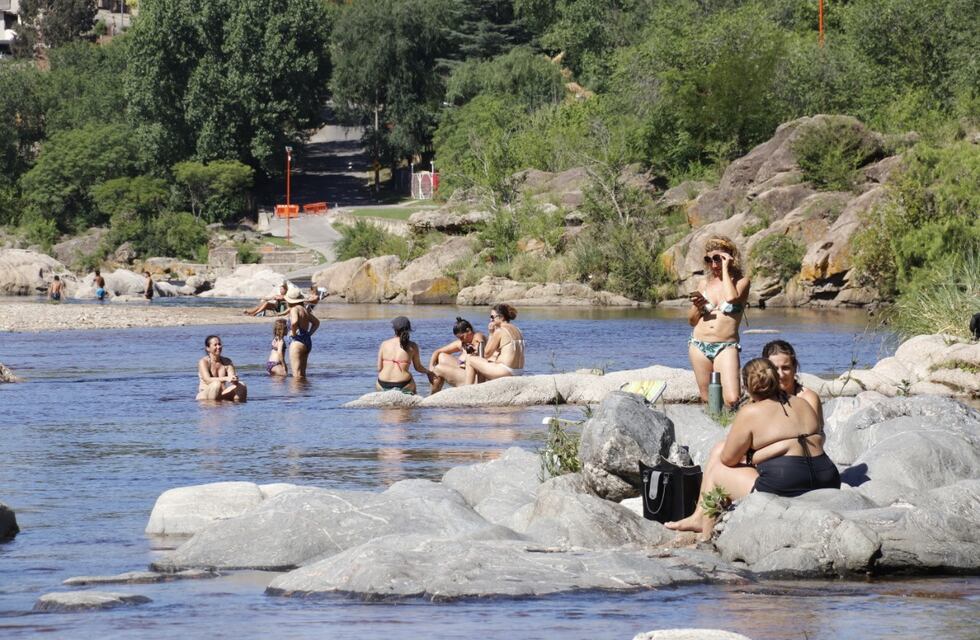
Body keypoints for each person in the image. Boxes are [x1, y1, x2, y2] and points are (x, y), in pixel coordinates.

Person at [665, 358, 839, 538]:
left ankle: (705, 533)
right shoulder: (802, 403)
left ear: (747, 387)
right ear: (775, 379)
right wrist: (762, 454)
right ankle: (698, 518)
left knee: (718, 470)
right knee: (722, 451)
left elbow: (728, 459)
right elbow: (804, 440)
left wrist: (751, 456)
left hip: (786, 484)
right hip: (827, 477)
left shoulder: (750, 412)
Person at [688, 235, 751, 408]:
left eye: (718, 259)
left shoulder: (742, 282)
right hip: (699, 344)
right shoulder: (704, 284)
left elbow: (731, 298)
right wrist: (698, 307)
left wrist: (725, 268)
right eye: (709, 260)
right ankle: (715, 428)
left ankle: (734, 426)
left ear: (730, 257)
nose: (713, 264)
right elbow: (692, 321)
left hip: (726, 346)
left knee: (732, 399)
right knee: (708, 398)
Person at [763, 340, 824, 429]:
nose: (781, 374)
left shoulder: (808, 399)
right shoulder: (759, 398)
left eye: (785, 368)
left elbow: (816, 434)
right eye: (775, 369)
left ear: (794, 368)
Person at [463, 303, 525, 385]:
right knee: (488, 361)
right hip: (519, 371)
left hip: (505, 371)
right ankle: (479, 386)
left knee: (470, 359)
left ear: (501, 317)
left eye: (492, 317)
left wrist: (491, 333)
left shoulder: (500, 331)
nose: (490, 319)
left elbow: (486, 354)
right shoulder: (518, 330)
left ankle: (469, 389)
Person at [428, 317, 487, 393]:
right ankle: (434, 393)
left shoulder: (477, 336)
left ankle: (433, 396)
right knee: (441, 356)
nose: (461, 340)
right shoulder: (462, 343)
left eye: (462, 337)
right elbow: (437, 351)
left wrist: (473, 350)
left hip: (473, 378)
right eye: (459, 338)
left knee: (438, 369)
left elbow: (480, 343)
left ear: (468, 331)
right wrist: (430, 368)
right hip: (463, 372)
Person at [376, 316, 434, 393]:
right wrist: (429, 372)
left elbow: (379, 368)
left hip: (382, 383)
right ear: (408, 330)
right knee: (412, 381)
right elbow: (418, 368)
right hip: (402, 384)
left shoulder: (384, 344)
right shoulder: (413, 346)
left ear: (394, 329)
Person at [196, 335, 248, 402]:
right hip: (205, 395)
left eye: (219, 344)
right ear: (208, 348)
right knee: (216, 384)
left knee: (242, 385)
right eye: (215, 345)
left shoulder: (227, 361)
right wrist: (226, 378)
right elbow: (207, 380)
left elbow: (232, 379)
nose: (219, 347)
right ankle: (212, 409)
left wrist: (234, 380)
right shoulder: (203, 362)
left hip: (222, 393)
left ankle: (235, 409)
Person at [284, 284, 319, 379]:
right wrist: (309, 334)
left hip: (297, 342)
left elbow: (294, 322)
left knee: (296, 375)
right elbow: (316, 323)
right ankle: (304, 393)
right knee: (302, 374)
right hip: (307, 341)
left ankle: (295, 393)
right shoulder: (304, 310)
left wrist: (294, 333)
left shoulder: (294, 309)